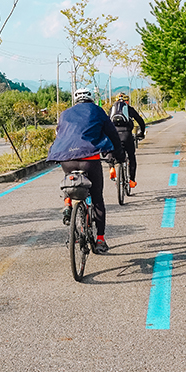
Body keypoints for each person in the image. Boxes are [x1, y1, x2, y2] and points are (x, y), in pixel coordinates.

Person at [47, 87, 123, 254]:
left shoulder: (65, 113)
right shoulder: (97, 110)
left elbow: (61, 134)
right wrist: (118, 154)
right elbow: (112, 133)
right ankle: (100, 240)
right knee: (97, 198)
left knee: (71, 180)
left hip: (66, 159)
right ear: (91, 98)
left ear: (75, 100)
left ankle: (68, 203)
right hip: (90, 160)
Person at [107, 92, 146, 188]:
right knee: (131, 156)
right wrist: (141, 132)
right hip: (126, 134)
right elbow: (141, 122)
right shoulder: (129, 109)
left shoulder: (112, 109)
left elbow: (106, 122)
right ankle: (132, 180)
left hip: (114, 134)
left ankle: (112, 167)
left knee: (112, 150)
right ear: (127, 101)